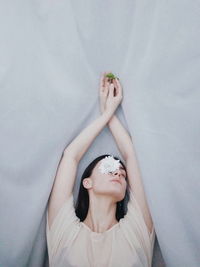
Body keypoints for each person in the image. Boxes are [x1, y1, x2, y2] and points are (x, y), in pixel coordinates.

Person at [46, 72, 155, 267]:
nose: (119, 173)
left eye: (122, 174)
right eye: (109, 168)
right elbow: (71, 156)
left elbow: (131, 155)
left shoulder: (135, 231)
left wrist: (110, 115)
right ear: (87, 182)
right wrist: (106, 114)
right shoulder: (65, 231)